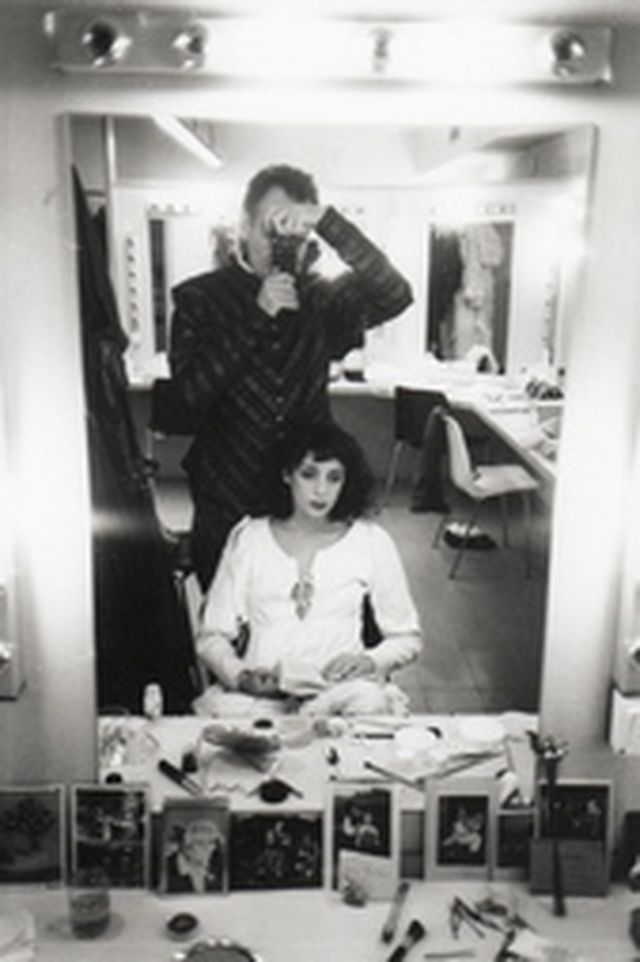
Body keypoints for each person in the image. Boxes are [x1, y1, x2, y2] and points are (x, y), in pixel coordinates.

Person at [169, 164, 413, 590]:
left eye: (295, 235)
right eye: (271, 229)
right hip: (227, 500)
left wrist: (326, 222)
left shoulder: (320, 298)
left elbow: (395, 293)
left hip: (305, 505)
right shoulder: (199, 299)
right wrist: (256, 316)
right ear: (245, 225)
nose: (282, 244)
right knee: (228, 617)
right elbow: (187, 401)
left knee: (306, 614)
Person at [194, 420, 422, 716]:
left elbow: (407, 638)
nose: (321, 490)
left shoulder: (371, 541)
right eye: (309, 474)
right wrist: (240, 675)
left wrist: (371, 661)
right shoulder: (250, 537)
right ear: (287, 475)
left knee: (368, 707)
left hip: (344, 694)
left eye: (334, 478)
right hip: (259, 699)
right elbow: (212, 636)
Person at [164, 818, 225, 894]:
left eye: (211, 843)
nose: (206, 849)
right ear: (186, 846)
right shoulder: (166, 868)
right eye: (200, 843)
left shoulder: (218, 865)